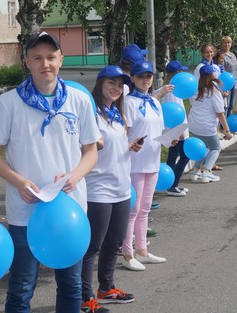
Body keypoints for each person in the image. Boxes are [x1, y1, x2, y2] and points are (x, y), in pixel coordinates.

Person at [0, 32, 100, 313]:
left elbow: (91, 151)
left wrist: (74, 176)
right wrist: (19, 181)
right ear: (26, 61)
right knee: (22, 286)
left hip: (70, 210)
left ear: (61, 59)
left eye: (51, 57)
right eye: (37, 58)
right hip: (26, 211)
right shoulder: (8, 103)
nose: (45, 64)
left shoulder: (78, 100)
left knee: (71, 285)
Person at [81, 66, 142, 313]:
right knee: (93, 246)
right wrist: (93, 142)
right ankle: (84, 297)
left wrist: (130, 146)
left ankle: (106, 289)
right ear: (100, 84)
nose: (116, 88)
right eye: (111, 83)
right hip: (98, 188)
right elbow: (85, 144)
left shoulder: (117, 114)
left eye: (120, 85)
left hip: (121, 187)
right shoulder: (91, 113)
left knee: (115, 241)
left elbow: (113, 147)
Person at [121, 60, 169, 272]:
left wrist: (170, 139)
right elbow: (124, 133)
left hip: (152, 162)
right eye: (140, 76)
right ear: (132, 78)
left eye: (148, 76)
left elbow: (158, 131)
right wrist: (129, 146)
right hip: (134, 164)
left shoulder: (155, 102)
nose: (145, 80)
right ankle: (127, 253)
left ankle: (142, 250)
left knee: (145, 209)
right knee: (133, 210)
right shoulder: (129, 102)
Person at [187, 65, 233, 182]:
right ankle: (207, 172)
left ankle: (195, 170)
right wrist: (227, 131)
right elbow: (220, 113)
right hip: (207, 127)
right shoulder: (214, 91)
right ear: (212, 75)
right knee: (215, 148)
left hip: (194, 125)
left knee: (203, 147)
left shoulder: (195, 89)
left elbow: (192, 105)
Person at [160, 60, 190, 196]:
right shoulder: (172, 91)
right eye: (181, 71)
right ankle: (173, 185)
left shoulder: (171, 89)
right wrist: (181, 132)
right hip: (177, 130)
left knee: (173, 156)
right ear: (177, 73)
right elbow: (174, 113)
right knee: (184, 157)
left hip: (175, 130)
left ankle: (170, 184)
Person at [219, 36, 237, 118]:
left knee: (231, 104)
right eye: (225, 42)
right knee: (226, 105)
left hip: (235, 82)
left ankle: (228, 122)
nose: (227, 44)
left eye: (229, 43)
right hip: (226, 84)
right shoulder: (221, 55)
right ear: (222, 44)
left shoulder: (232, 55)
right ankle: (223, 124)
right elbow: (221, 70)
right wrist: (224, 87)